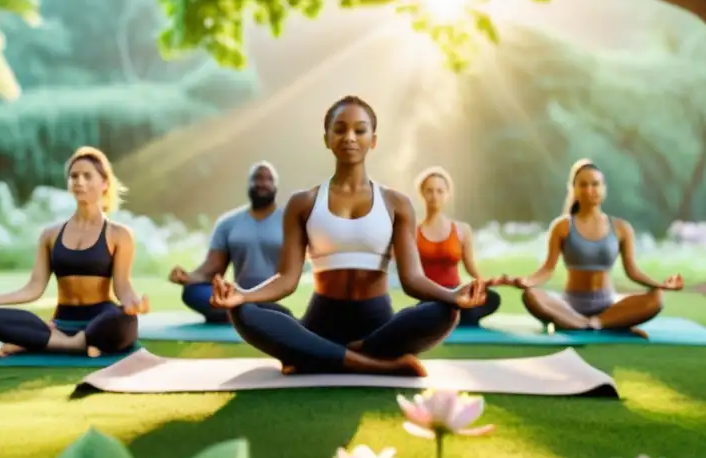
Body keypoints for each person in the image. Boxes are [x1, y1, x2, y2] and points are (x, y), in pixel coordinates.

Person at [209, 95, 489, 376]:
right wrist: (242, 295)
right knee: (244, 312)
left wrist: (453, 295)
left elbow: (413, 280)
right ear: (327, 138)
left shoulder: (396, 203)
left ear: (373, 140)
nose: (350, 137)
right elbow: (286, 279)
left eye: (360, 130)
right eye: (340, 129)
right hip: (321, 320)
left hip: (377, 327)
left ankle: (320, 354)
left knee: (445, 312)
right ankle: (375, 365)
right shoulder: (302, 203)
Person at [0, 146, 147, 357]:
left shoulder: (119, 234)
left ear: (105, 183)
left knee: (125, 321)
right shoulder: (50, 235)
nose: (79, 181)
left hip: (100, 322)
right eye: (74, 176)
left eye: (87, 176)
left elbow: (122, 286)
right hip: (61, 323)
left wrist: (133, 303)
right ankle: (77, 345)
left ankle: (43, 343)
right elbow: (34, 287)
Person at [494, 158, 683, 334]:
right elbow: (547, 269)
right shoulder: (562, 226)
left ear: (604, 188)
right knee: (531, 295)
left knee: (656, 299)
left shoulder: (621, 228)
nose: (590, 189)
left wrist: (661, 285)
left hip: (608, 303)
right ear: (574, 189)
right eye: (583, 184)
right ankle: (599, 322)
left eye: (595, 184)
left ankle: (591, 323)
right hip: (570, 305)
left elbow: (633, 271)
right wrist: (526, 282)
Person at [168, 161, 293, 322]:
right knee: (192, 291)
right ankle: (253, 314)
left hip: (268, 295)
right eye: (257, 178)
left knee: (241, 305)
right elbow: (211, 268)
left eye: (268, 179)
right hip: (236, 295)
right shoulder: (228, 222)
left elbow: (293, 272)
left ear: (275, 185)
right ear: (249, 183)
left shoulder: (290, 221)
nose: (262, 183)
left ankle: (244, 312)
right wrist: (187, 277)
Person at [414, 166, 501, 327]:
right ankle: (453, 317)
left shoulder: (462, 230)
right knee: (431, 309)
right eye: (430, 191)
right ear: (422, 194)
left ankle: (451, 317)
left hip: (457, 294)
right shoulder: (413, 232)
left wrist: (485, 283)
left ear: (447, 195)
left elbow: (471, 268)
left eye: (440, 191)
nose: (434, 196)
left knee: (493, 298)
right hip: (431, 297)